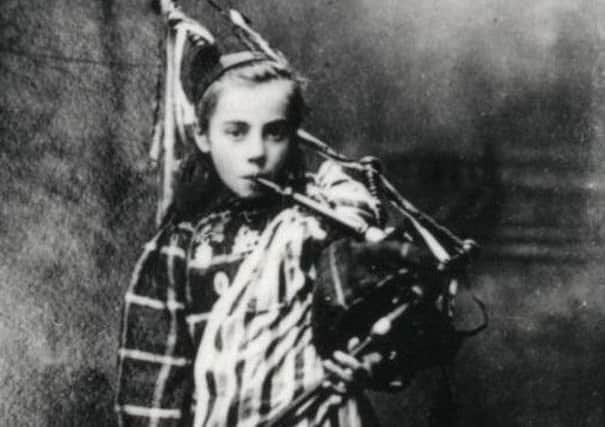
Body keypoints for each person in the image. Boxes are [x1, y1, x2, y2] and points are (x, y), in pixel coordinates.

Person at [115, 51, 427, 427]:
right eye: (236, 131)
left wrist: (368, 361)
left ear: (293, 135)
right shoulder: (178, 248)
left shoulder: (328, 221)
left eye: (274, 132)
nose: (257, 153)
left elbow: (396, 331)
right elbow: (151, 387)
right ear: (202, 135)